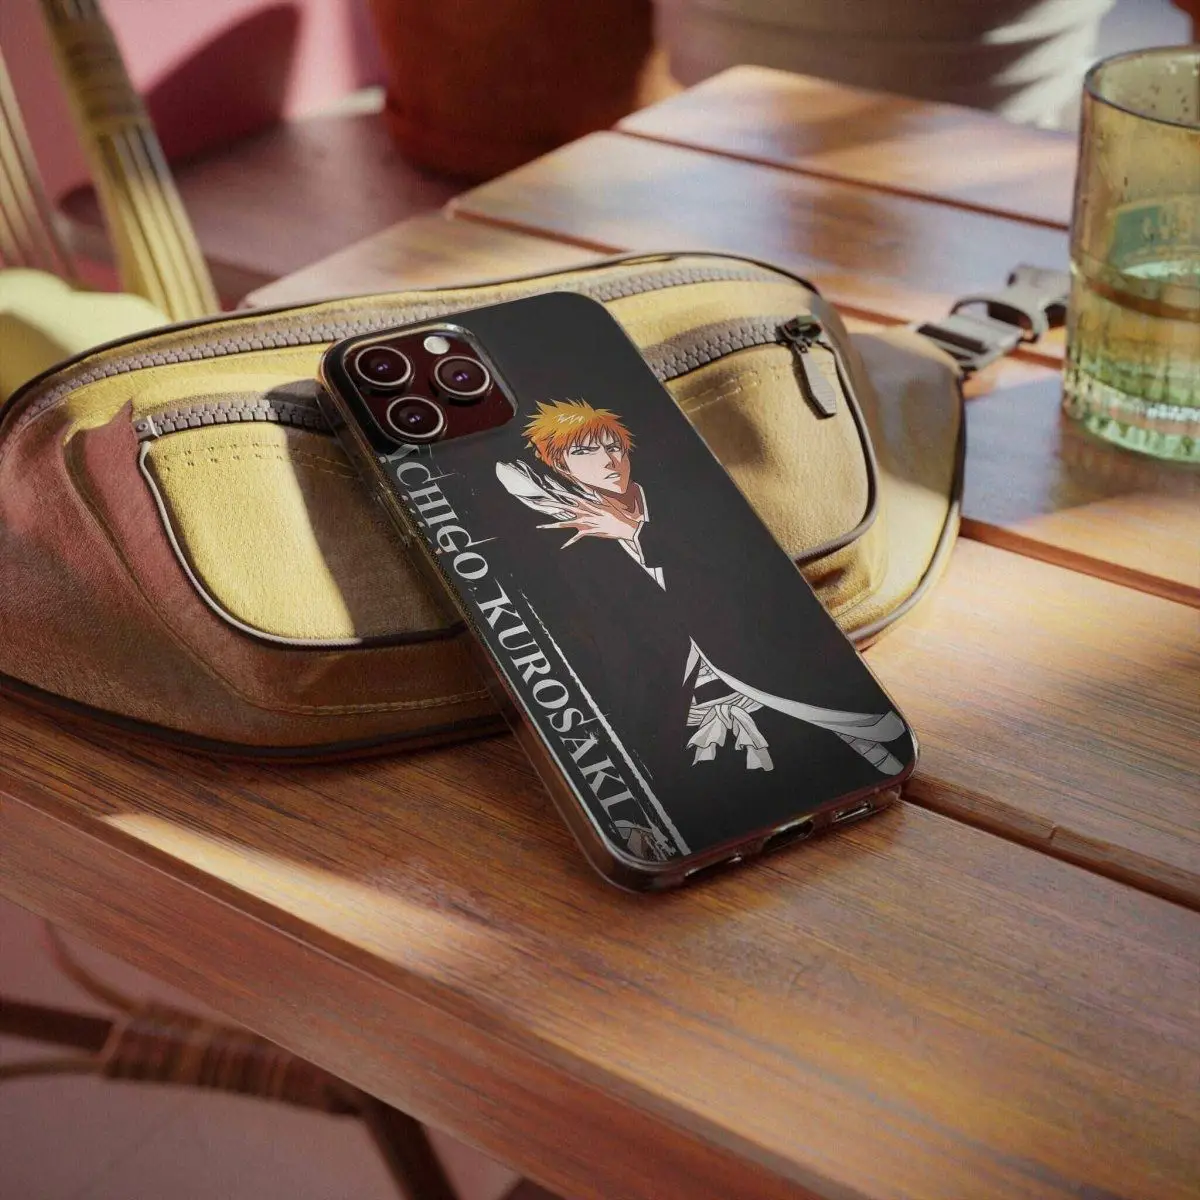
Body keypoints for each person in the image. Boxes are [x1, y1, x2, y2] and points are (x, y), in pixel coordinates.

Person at [494, 400, 906, 845]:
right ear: (561, 468)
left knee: (850, 749)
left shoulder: (684, 501)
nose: (609, 461)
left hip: (758, 664)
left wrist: (636, 533)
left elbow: (735, 580)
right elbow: (614, 640)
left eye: (614, 447)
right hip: (678, 701)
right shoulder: (575, 551)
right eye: (585, 452)